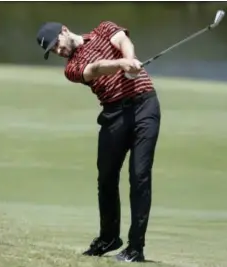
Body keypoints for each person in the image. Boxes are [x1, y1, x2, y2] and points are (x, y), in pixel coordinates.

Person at [36, 20, 161, 263]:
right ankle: (109, 238)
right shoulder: (71, 68)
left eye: (56, 45)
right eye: (53, 51)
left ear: (64, 30)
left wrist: (131, 61)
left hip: (145, 105)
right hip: (114, 114)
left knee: (140, 177)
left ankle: (136, 248)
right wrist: (121, 64)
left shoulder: (103, 29)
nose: (58, 51)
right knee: (106, 177)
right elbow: (96, 68)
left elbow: (122, 41)